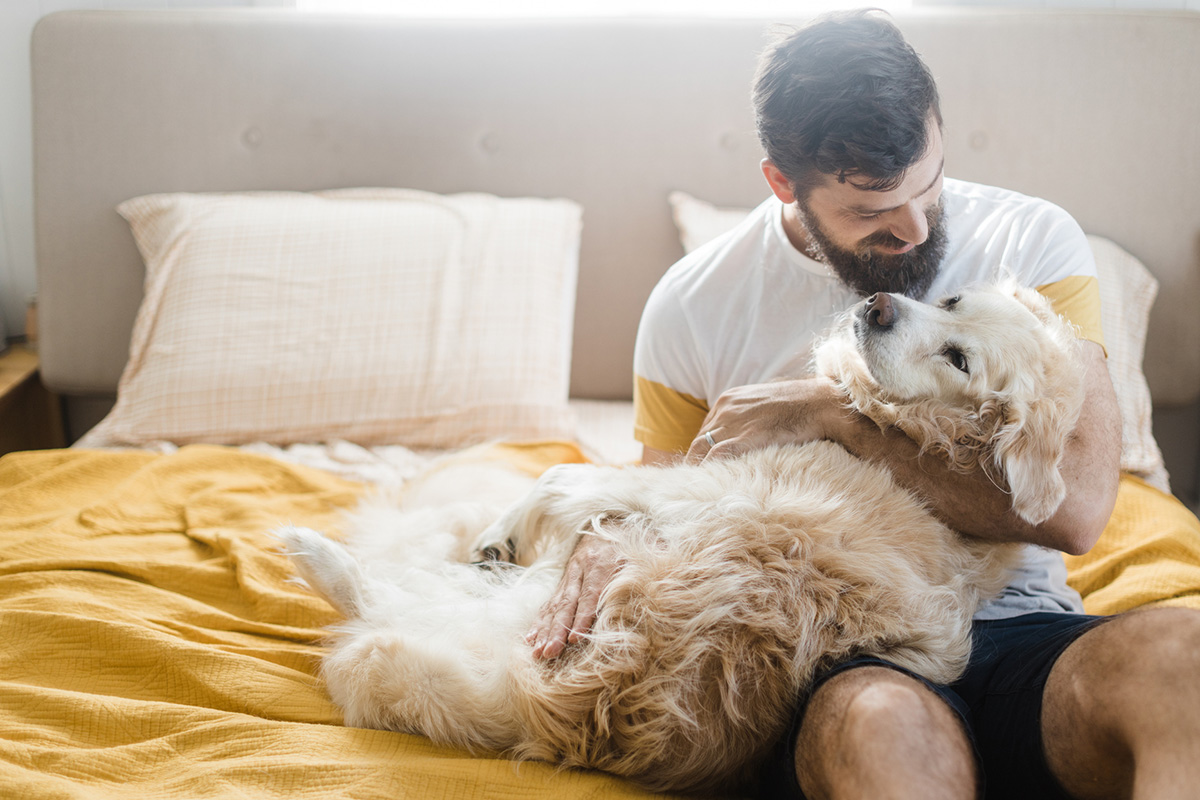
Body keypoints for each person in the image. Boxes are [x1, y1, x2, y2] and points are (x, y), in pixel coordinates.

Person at [526, 10, 1200, 799]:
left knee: (1185, 657)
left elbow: (1077, 509)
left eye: (929, 184)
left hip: (1025, 626)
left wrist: (831, 416)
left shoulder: (1033, 241)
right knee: (880, 726)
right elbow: (664, 503)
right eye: (872, 211)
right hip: (851, 650)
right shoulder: (693, 306)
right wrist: (611, 529)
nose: (913, 228)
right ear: (784, 182)